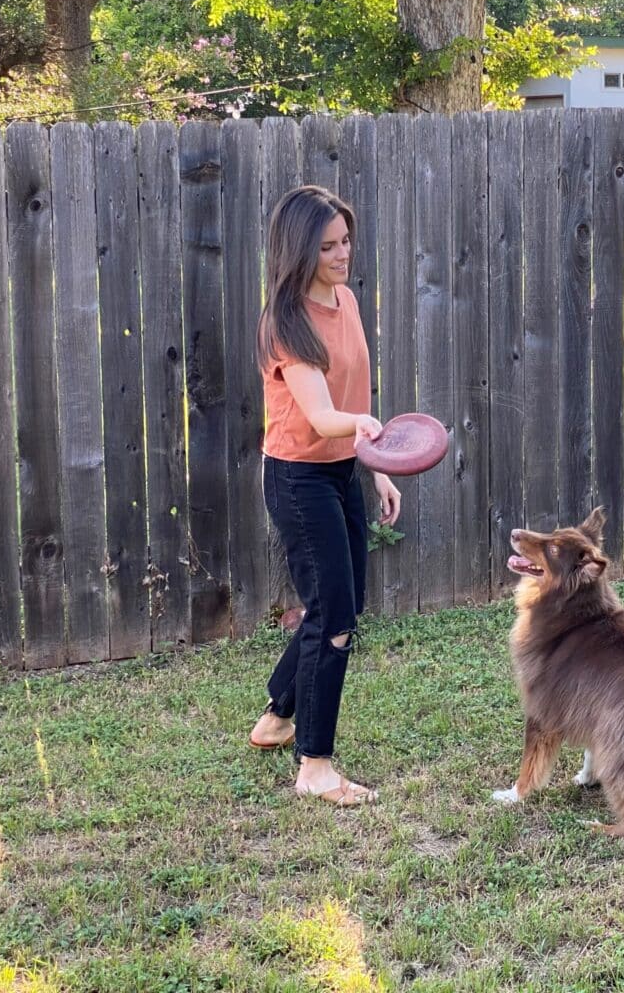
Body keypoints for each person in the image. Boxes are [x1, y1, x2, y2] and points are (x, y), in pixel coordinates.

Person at [249, 185, 400, 807]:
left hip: (341, 468)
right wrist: (364, 430)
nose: (344, 255)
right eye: (329, 246)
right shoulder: (285, 323)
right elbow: (319, 415)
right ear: (300, 250)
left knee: (344, 602)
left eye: (347, 241)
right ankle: (314, 767)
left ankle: (278, 714)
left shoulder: (346, 300)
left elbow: (355, 394)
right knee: (333, 616)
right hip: (297, 476)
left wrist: (379, 467)